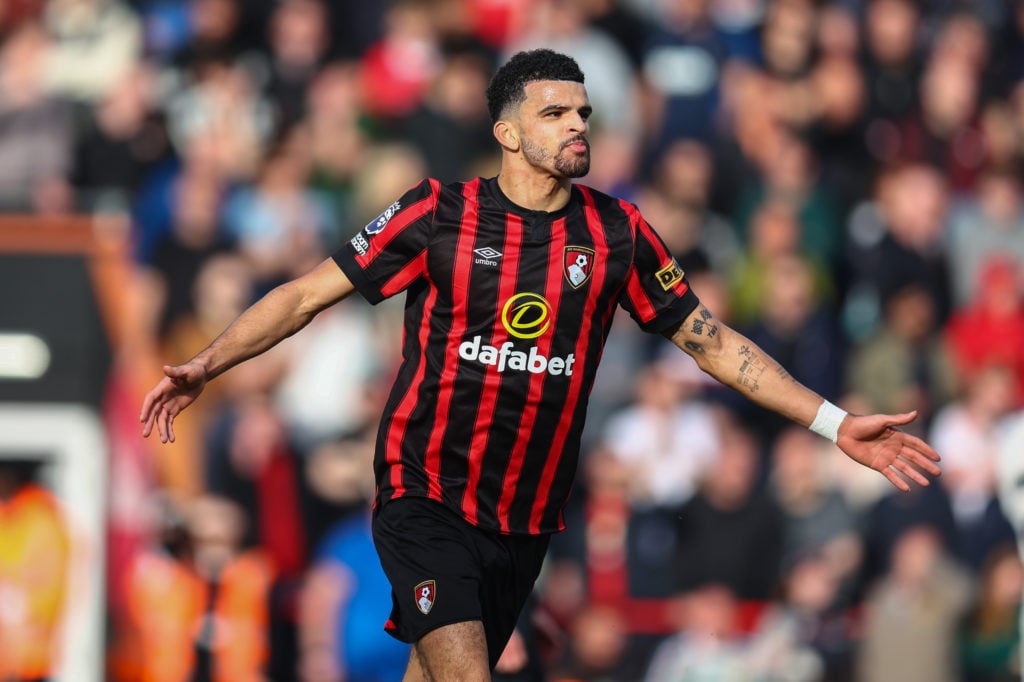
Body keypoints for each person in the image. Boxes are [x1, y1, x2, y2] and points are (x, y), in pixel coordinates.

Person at [141, 49, 942, 680]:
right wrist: (208, 363)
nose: (576, 125)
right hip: (425, 490)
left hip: (525, 514)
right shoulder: (437, 213)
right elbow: (306, 295)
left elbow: (714, 342)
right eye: (554, 112)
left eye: (583, 112)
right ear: (507, 131)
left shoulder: (618, 232)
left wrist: (834, 423)